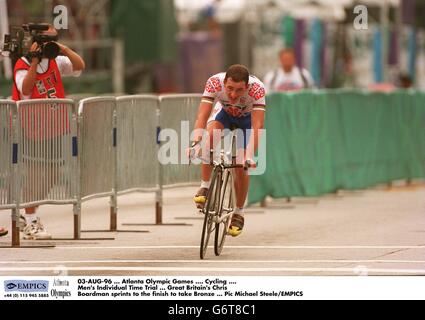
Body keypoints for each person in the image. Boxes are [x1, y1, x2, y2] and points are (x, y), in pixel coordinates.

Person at [12, 24, 85, 240]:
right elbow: (25, 89)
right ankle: (31, 221)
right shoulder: (22, 64)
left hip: (54, 128)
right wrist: (34, 59)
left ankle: (26, 214)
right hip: (31, 129)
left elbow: (80, 67)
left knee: (52, 174)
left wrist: (63, 49)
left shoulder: (55, 61)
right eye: (45, 43)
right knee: (34, 176)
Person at [188, 64, 266, 237]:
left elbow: (258, 125)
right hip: (223, 114)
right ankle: (205, 186)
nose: (232, 94)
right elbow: (202, 115)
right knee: (208, 141)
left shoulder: (257, 89)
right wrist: (195, 143)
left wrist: (249, 155)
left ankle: (239, 211)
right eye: (229, 88)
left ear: (247, 87)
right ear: (224, 83)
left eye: (239, 90)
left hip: (247, 122)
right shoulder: (214, 82)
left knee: (240, 164)